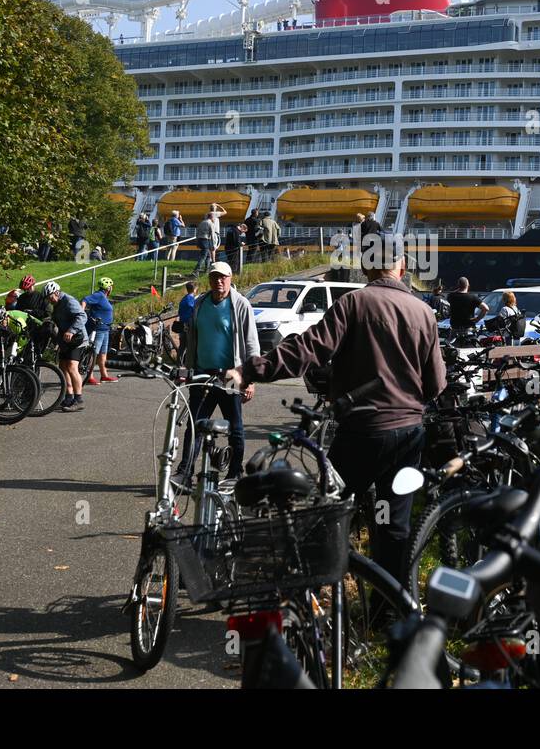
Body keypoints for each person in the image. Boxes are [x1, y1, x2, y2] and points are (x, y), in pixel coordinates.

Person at [225, 234, 445, 584]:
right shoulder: (424, 312)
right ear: (401, 268)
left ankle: (325, 587)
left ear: (367, 267)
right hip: (406, 434)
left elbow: (308, 349)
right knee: (394, 525)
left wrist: (250, 370)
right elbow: (436, 384)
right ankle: (389, 610)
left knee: (332, 511)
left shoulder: (354, 303)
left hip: (360, 431)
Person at [182, 262, 257, 480]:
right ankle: (185, 472)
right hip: (202, 374)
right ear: (209, 280)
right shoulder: (199, 303)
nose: (219, 281)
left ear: (230, 278)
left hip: (231, 376)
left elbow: (252, 344)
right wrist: (188, 368)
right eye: (214, 277)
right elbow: (191, 338)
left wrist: (250, 379)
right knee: (194, 426)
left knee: (235, 428)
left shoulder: (241, 304)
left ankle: (235, 473)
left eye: (223, 277)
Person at [44, 280, 88, 411]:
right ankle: (69, 397)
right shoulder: (56, 304)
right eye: (48, 298)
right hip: (65, 340)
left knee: (72, 367)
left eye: (50, 296)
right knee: (63, 366)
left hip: (77, 339)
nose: (49, 300)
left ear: (57, 292)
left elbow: (82, 316)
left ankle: (79, 399)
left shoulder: (69, 301)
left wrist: (71, 331)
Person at [81, 277, 118, 385]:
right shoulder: (99, 295)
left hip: (105, 329)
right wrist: (82, 313)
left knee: (103, 354)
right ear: (109, 288)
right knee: (94, 353)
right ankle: (90, 376)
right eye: (111, 287)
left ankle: (104, 375)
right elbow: (85, 300)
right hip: (98, 329)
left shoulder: (104, 297)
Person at [10, 274, 52, 357]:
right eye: (24, 290)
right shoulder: (21, 298)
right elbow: (17, 311)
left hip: (38, 326)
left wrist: (32, 312)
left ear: (33, 286)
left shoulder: (41, 297)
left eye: (28, 289)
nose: (26, 291)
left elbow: (48, 313)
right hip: (24, 326)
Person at [171, 280, 198, 364]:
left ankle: (179, 363)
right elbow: (193, 309)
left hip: (182, 323)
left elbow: (179, 312)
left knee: (182, 345)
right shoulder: (191, 299)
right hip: (188, 325)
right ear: (194, 289)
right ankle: (188, 363)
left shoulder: (183, 299)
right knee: (190, 345)